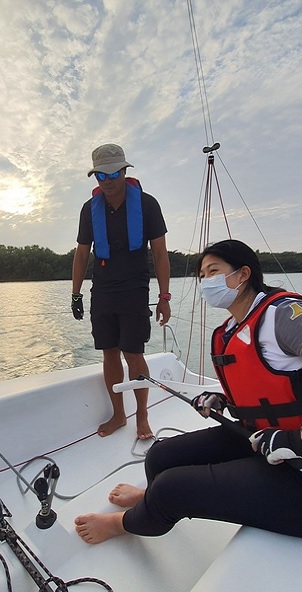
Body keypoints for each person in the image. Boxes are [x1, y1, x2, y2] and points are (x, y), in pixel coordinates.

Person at [75, 239, 302, 553]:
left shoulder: (281, 315)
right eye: (201, 275)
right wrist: (223, 401)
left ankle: (126, 524)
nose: (205, 281)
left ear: (243, 275)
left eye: (214, 271)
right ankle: (151, 503)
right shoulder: (227, 331)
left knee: (172, 488)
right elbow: (270, 386)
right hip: (267, 445)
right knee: (160, 456)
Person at [72, 143, 171, 440]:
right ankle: (118, 413)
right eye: (101, 175)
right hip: (102, 288)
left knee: (133, 352)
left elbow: (161, 254)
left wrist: (164, 297)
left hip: (134, 288)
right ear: (95, 178)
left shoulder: (147, 204)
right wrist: (75, 294)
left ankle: (142, 415)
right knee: (109, 352)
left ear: (125, 171)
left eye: (115, 172)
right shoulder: (90, 210)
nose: (109, 180)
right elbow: (81, 254)